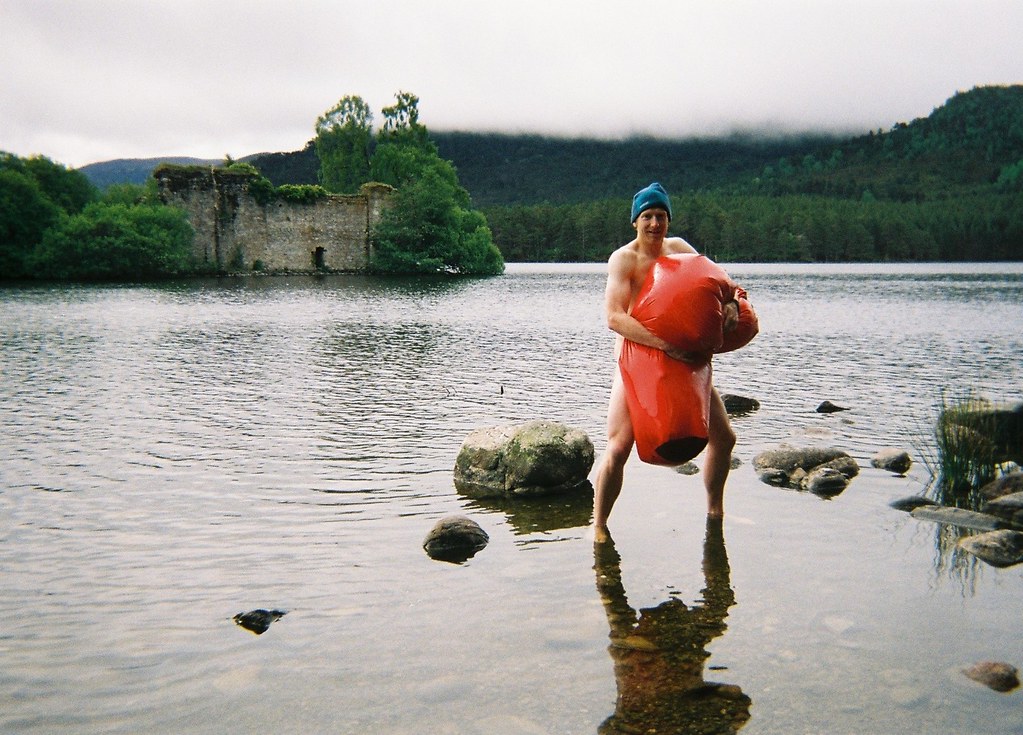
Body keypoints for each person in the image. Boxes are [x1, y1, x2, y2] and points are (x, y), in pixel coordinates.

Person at [594, 182, 738, 541]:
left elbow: (723, 283)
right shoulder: (623, 260)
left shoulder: (680, 251)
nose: (655, 224)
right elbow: (614, 318)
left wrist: (733, 303)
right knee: (618, 446)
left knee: (725, 437)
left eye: (661, 216)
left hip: (682, 357)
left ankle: (715, 512)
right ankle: (598, 527)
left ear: (668, 219)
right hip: (636, 359)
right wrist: (662, 345)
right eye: (647, 217)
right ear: (635, 222)